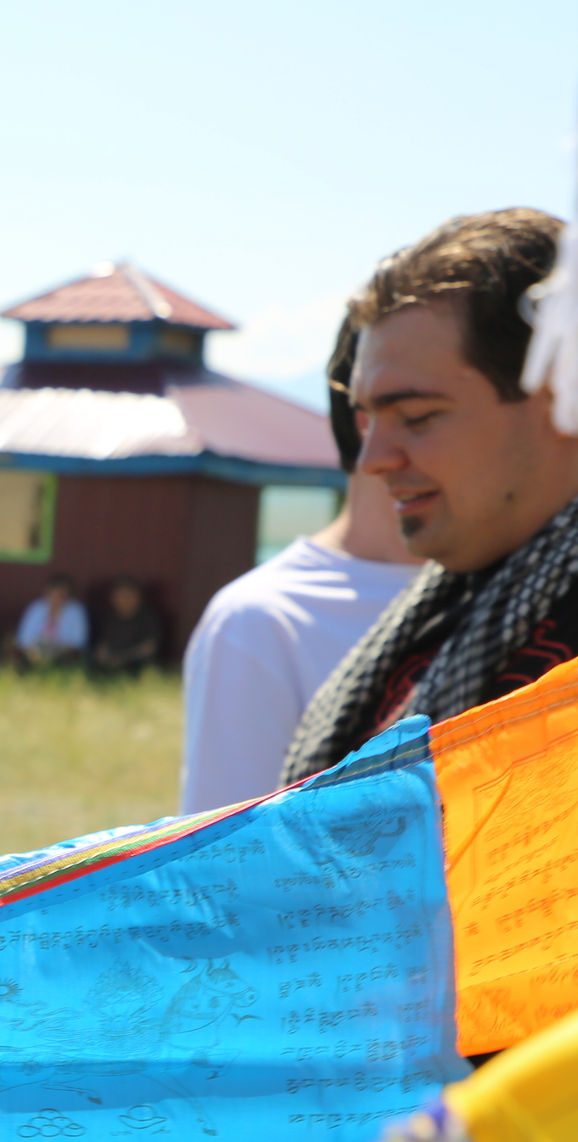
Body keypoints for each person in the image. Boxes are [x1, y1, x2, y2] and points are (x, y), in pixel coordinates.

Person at [282, 207, 578, 1142]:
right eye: (363, 416)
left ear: (570, 391)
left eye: (416, 415)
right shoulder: (438, 622)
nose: (373, 456)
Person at [177, 317, 423, 812]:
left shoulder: (534, 595)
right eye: (426, 413)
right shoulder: (263, 621)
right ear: (368, 419)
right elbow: (232, 868)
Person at [88, 577, 162, 676]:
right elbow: (103, 642)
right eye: (117, 597)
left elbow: (149, 648)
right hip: (110, 660)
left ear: (137, 598)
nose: (120, 600)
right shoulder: (109, 617)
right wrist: (102, 655)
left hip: (133, 661)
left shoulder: (148, 617)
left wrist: (123, 658)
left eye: (125, 596)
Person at [14, 573, 87, 667]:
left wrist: (56, 650)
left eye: (62, 594)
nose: (57, 598)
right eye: (54, 593)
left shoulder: (76, 610)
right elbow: (23, 638)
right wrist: (34, 650)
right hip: (35, 651)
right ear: (47, 592)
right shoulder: (36, 607)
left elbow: (78, 641)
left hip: (63, 652)